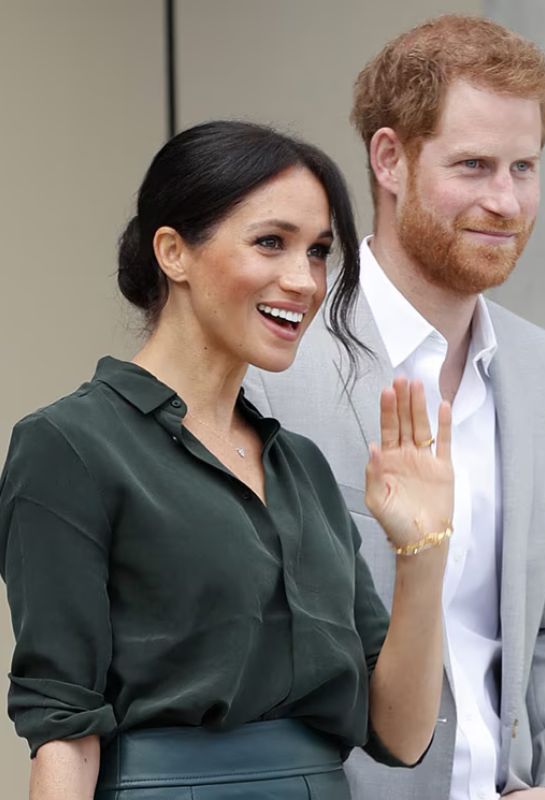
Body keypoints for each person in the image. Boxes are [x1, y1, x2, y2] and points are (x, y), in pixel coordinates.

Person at [0, 121, 452, 799]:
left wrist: (423, 552)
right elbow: (64, 726)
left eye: (319, 251)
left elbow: (401, 734)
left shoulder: (300, 468)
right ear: (174, 252)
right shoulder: (69, 445)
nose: (303, 280)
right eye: (271, 242)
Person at [242, 16, 545, 800]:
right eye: (473, 165)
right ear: (390, 159)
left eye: (524, 167)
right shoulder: (276, 368)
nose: (505, 201)